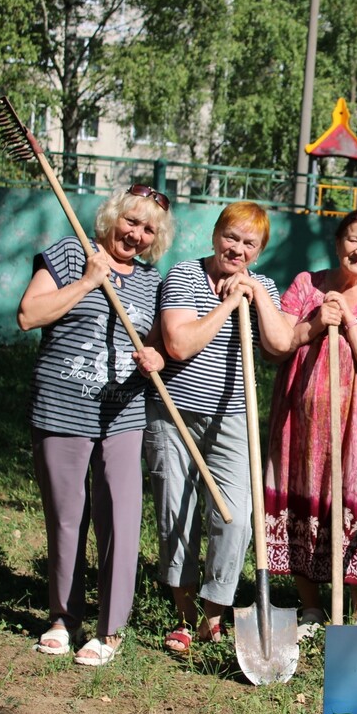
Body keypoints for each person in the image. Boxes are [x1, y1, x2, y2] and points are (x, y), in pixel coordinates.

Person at [18, 184, 175, 666]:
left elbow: (160, 347)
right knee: (67, 518)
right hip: (62, 407)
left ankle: (110, 631)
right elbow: (28, 315)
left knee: (120, 521)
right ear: (112, 217)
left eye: (149, 229)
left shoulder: (152, 282)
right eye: (132, 221)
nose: (137, 234)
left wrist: (157, 358)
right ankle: (63, 618)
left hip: (123, 413)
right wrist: (88, 281)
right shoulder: (70, 254)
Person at [147, 201, 293, 652]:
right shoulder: (184, 276)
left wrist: (255, 296)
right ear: (215, 235)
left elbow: (281, 344)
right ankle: (185, 617)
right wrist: (229, 303)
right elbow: (178, 343)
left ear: (260, 250)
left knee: (235, 518)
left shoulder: (262, 285)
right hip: (174, 412)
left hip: (234, 417)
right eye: (231, 237)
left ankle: (216, 610)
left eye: (250, 243)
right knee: (177, 513)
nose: (238, 248)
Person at [263, 209, 357, 627]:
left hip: (354, 430)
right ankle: (309, 607)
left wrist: (350, 321)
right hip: (297, 424)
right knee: (297, 506)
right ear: (339, 239)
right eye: (354, 240)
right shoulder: (307, 285)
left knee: (355, 506)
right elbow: (276, 347)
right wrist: (313, 324)